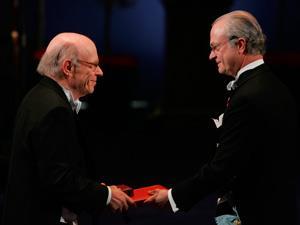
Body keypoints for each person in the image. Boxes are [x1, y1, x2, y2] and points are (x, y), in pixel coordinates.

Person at [145, 10, 299, 225]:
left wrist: (173, 196)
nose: (211, 55)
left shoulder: (249, 95)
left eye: (215, 47)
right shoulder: (273, 85)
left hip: (255, 213)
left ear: (241, 45)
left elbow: (224, 167)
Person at [1, 32, 135, 225]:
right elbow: (58, 179)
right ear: (68, 67)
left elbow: (54, 169)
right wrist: (105, 195)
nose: (100, 72)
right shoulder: (55, 109)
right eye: (93, 65)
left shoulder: (38, 96)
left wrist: (95, 189)